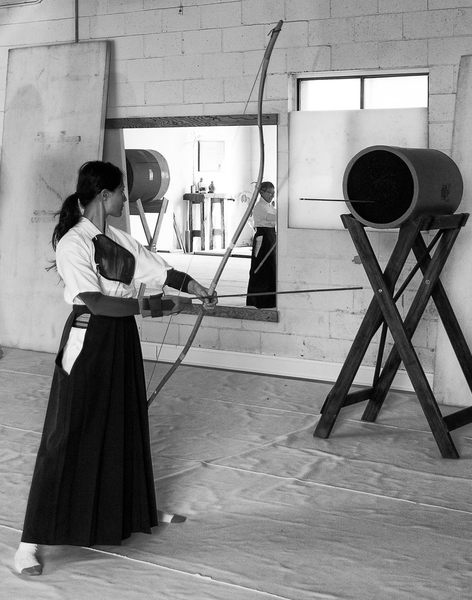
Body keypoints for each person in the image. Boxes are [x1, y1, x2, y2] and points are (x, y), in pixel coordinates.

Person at [14, 160, 216, 576]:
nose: (126, 197)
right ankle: (29, 542)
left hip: (121, 338)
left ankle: (134, 511)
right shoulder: (73, 243)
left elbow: (161, 269)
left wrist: (196, 288)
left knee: (125, 422)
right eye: (122, 192)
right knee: (67, 433)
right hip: (89, 338)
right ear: (104, 195)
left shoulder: (118, 239)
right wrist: (158, 306)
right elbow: (98, 302)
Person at [246, 181, 277, 308]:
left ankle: (269, 300)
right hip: (263, 238)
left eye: (273, 193)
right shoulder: (259, 206)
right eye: (269, 192)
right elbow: (271, 217)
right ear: (261, 192)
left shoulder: (269, 206)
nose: (272, 195)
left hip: (271, 237)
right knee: (259, 267)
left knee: (271, 268)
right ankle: (257, 301)